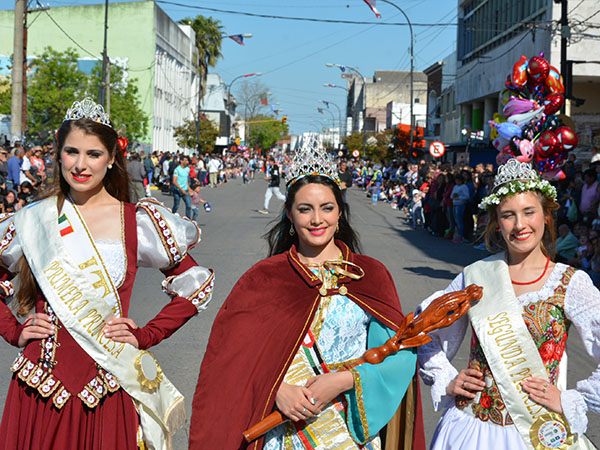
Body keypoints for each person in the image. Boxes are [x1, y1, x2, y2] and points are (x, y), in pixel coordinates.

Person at [0, 98, 215, 450]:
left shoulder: (136, 222)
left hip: (108, 380)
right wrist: (13, 330)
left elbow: (195, 285)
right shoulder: (32, 220)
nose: (80, 165)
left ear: (112, 158)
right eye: (71, 152)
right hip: (39, 382)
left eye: (94, 154)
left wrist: (147, 334)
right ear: (59, 154)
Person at [189, 143, 425, 450]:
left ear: (340, 212)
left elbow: (398, 354)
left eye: (327, 208)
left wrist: (345, 380)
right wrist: (276, 390)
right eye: (305, 209)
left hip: (349, 433)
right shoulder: (264, 278)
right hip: (283, 433)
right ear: (289, 214)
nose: (317, 220)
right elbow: (229, 362)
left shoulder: (370, 275)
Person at [417, 159, 599, 450]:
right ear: (496, 223)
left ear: (546, 216)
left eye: (529, 212)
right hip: (472, 428)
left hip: (539, 431)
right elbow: (425, 332)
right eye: (507, 216)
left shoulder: (569, 282)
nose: (520, 225)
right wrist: (448, 379)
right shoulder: (475, 276)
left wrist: (571, 399)